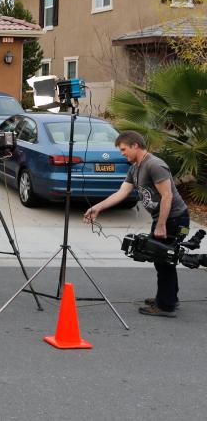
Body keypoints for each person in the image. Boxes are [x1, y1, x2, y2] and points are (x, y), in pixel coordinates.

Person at [84, 130, 189, 317]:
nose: (122, 153)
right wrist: (97, 207)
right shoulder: (135, 168)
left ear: (135, 145)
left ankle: (165, 305)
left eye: (124, 149)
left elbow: (167, 195)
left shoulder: (155, 165)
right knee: (162, 259)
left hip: (174, 218)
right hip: (162, 218)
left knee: (163, 260)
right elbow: (121, 193)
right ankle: (169, 298)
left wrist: (161, 224)